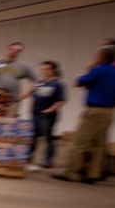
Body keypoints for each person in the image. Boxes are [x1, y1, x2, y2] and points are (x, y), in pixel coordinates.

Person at [53, 45, 115, 183]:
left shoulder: (99, 69)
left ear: (101, 57)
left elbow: (79, 82)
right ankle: (93, 173)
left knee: (80, 141)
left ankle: (70, 171)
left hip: (94, 110)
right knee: (99, 144)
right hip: (109, 111)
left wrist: (90, 67)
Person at [0, 42, 36, 116]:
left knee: (10, 122)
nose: (14, 52)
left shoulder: (23, 66)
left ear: (20, 53)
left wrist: (26, 94)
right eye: (12, 50)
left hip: (13, 101)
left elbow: (34, 80)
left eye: (18, 51)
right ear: (7, 49)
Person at [29, 60, 66, 168]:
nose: (44, 71)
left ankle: (48, 160)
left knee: (47, 137)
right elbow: (34, 96)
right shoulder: (40, 83)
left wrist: (51, 109)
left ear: (53, 70)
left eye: (47, 69)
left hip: (48, 115)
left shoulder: (57, 84)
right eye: (42, 69)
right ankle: (29, 156)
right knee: (33, 136)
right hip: (36, 113)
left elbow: (61, 100)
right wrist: (32, 107)